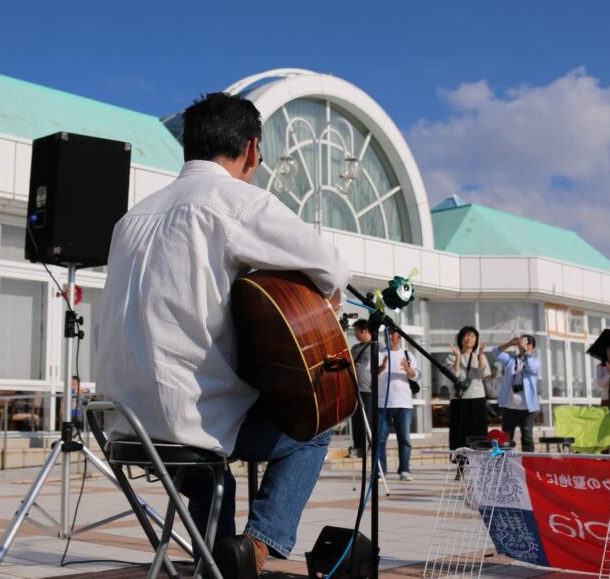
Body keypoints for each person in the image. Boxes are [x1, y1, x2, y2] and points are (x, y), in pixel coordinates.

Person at [95, 92, 350, 578]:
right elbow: (332, 268)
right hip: (191, 419)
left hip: (126, 423)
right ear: (251, 149)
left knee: (208, 466)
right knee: (316, 426)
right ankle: (258, 544)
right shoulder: (235, 202)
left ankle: (215, 560)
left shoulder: (130, 220)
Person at [376, 329, 421, 481]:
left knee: (404, 439)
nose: (389, 337)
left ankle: (404, 470)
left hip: (404, 403)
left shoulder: (407, 354)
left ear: (399, 337)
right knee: (380, 440)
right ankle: (381, 471)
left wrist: (408, 370)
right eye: (386, 335)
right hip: (383, 403)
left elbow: (417, 376)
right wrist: (382, 367)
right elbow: (371, 375)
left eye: (392, 335)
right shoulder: (379, 354)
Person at [447, 325, 490, 454]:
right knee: (459, 434)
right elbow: (454, 376)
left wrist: (480, 355)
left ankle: (480, 462)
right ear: (461, 338)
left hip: (477, 399)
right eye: (466, 335)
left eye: (472, 336)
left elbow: (482, 374)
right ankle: (460, 464)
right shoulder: (451, 357)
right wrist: (458, 357)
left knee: (478, 434)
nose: (469, 338)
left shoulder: (480, 356)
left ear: (476, 340)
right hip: (459, 400)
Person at [494, 335, 541, 452]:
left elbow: (531, 367)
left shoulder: (535, 362)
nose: (522, 344)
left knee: (527, 438)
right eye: (521, 342)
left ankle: (528, 463)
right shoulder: (511, 360)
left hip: (526, 408)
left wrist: (524, 350)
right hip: (509, 406)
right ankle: (505, 462)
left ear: (532, 347)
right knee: (505, 438)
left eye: (525, 342)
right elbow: (495, 352)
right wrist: (510, 343)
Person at [349, 319, 374, 458]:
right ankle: (358, 447)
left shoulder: (376, 347)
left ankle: (371, 446)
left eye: (357, 332)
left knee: (369, 419)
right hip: (356, 390)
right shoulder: (355, 348)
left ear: (365, 331)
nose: (355, 334)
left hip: (369, 390)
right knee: (357, 420)